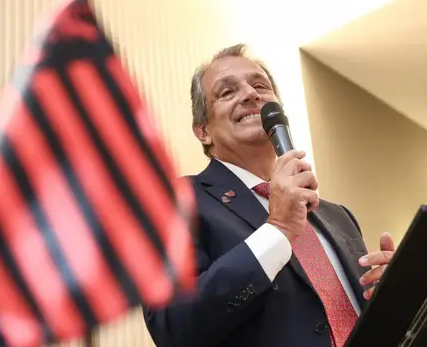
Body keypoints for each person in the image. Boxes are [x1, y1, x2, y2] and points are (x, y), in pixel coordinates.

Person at [142, 44, 396, 347]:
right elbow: (173, 327)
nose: (251, 94)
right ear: (203, 131)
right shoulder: (177, 200)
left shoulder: (338, 215)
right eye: (227, 92)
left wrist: (393, 297)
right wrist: (278, 229)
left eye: (260, 85)